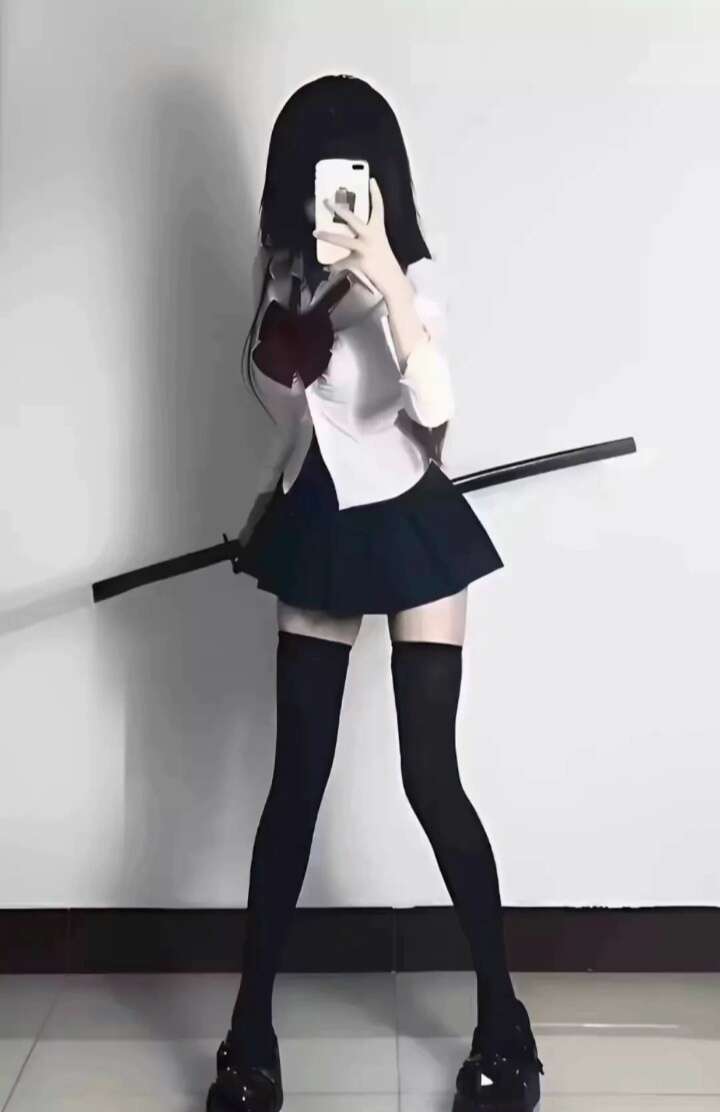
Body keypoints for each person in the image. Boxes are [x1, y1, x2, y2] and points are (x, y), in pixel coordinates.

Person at [206, 74, 544, 1112]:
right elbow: (300, 417)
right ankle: (249, 1035)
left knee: (430, 777)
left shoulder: (413, 274)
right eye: (313, 167)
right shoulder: (278, 270)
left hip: (407, 515)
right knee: (294, 785)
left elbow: (435, 417)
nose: (332, 190)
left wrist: (390, 281)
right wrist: (268, 501)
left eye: (348, 167)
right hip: (319, 520)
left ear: (377, 176)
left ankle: (505, 1024)